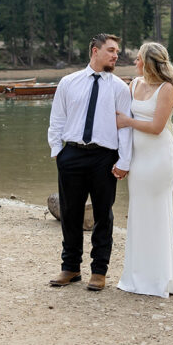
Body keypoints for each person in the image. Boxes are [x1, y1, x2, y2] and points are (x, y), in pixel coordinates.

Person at [48, 33, 132, 292]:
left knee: (103, 215)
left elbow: (125, 128)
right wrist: (57, 152)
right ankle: (70, 267)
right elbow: (57, 119)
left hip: (104, 157)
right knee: (70, 213)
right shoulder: (68, 82)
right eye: (110, 50)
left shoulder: (119, 87)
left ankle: (99, 271)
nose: (115, 55)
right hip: (71, 154)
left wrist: (124, 160)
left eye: (117, 51)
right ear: (94, 51)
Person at [116, 41, 173, 298]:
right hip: (139, 160)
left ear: (148, 62)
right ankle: (137, 276)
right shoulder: (133, 85)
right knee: (139, 213)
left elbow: (155, 127)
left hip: (160, 161)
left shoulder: (167, 89)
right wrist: (123, 158)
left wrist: (127, 121)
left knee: (157, 213)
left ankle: (159, 279)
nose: (135, 62)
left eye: (138, 58)